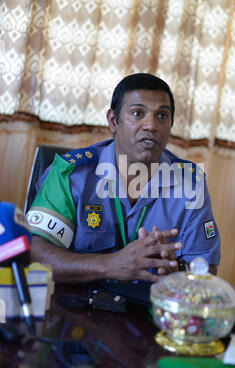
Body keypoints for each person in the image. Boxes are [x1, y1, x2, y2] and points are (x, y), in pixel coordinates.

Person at [26, 73, 220, 284]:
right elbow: (35, 252)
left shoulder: (191, 184)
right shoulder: (71, 174)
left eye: (162, 116)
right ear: (113, 121)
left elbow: (206, 271)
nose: (151, 126)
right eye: (138, 113)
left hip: (147, 311)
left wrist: (173, 269)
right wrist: (109, 265)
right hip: (75, 307)